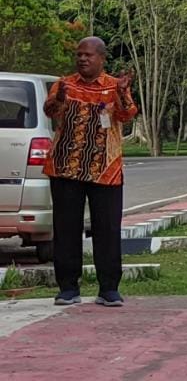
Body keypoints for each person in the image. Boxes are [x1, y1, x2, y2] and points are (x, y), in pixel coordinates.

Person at [43, 36, 137, 308]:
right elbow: (50, 112)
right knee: (66, 229)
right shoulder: (64, 84)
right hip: (65, 168)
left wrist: (122, 93)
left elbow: (127, 114)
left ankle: (109, 289)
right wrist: (60, 98)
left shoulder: (114, 86)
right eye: (79, 54)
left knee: (107, 229)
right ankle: (68, 288)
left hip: (105, 170)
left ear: (102, 59)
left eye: (89, 55)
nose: (83, 59)